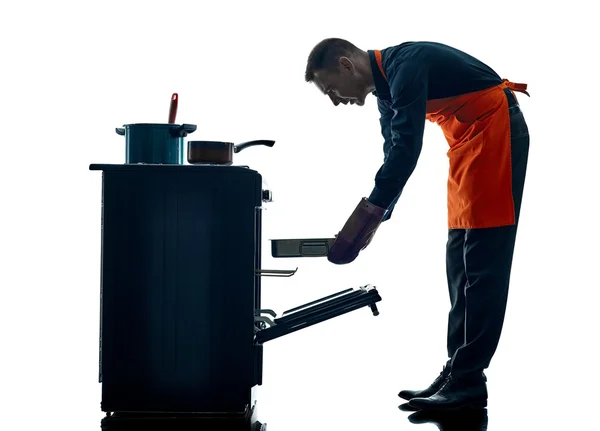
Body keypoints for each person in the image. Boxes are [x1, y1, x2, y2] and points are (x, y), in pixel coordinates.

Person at [304, 39, 530, 411]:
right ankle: (458, 371)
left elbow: (407, 149)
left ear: (346, 65)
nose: (334, 100)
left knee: (482, 265)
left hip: (495, 134)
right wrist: (376, 220)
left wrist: (367, 217)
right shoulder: (385, 90)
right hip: (467, 147)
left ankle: (469, 381)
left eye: (330, 90)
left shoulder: (405, 66)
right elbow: (393, 153)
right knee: (459, 264)